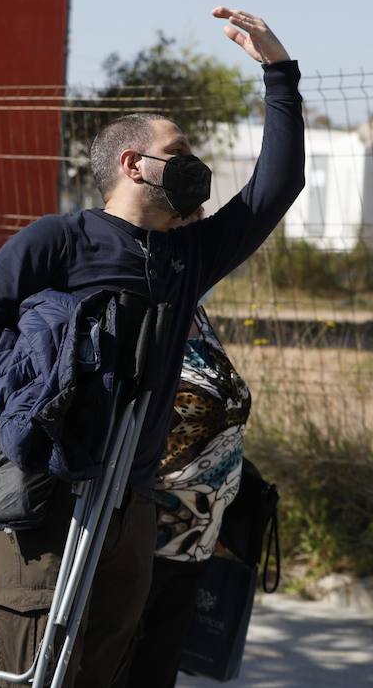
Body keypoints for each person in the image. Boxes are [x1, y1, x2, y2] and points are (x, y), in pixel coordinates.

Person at [0, 7, 305, 687]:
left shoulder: (185, 256)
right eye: (182, 153)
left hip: (130, 497)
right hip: (44, 484)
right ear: (133, 164)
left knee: (110, 660)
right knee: (44, 665)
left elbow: (275, 189)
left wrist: (279, 75)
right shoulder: (61, 239)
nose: (196, 168)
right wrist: (37, 402)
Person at [123, 263, 251, 688]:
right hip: (142, 533)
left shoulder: (193, 310)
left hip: (193, 541)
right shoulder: (133, 308)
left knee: (157, 667)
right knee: (119, 666)